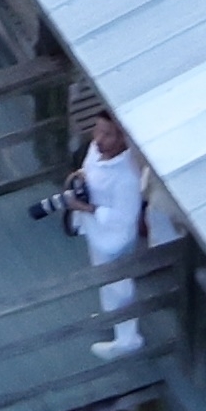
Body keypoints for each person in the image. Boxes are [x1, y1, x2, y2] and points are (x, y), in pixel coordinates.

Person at [65, 112, 147, 358]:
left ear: (123, 138)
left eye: (107, 134)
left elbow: (124, 216)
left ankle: (128, 338)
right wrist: (81, 175)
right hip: (95, 231)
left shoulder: (127, 178)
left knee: (120, 287)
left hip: (115, 239)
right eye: (97, 131)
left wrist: (86, 209)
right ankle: (111, 318)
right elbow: (91, 167)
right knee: (104, 280)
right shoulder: (95, 148)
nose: (99, 139)